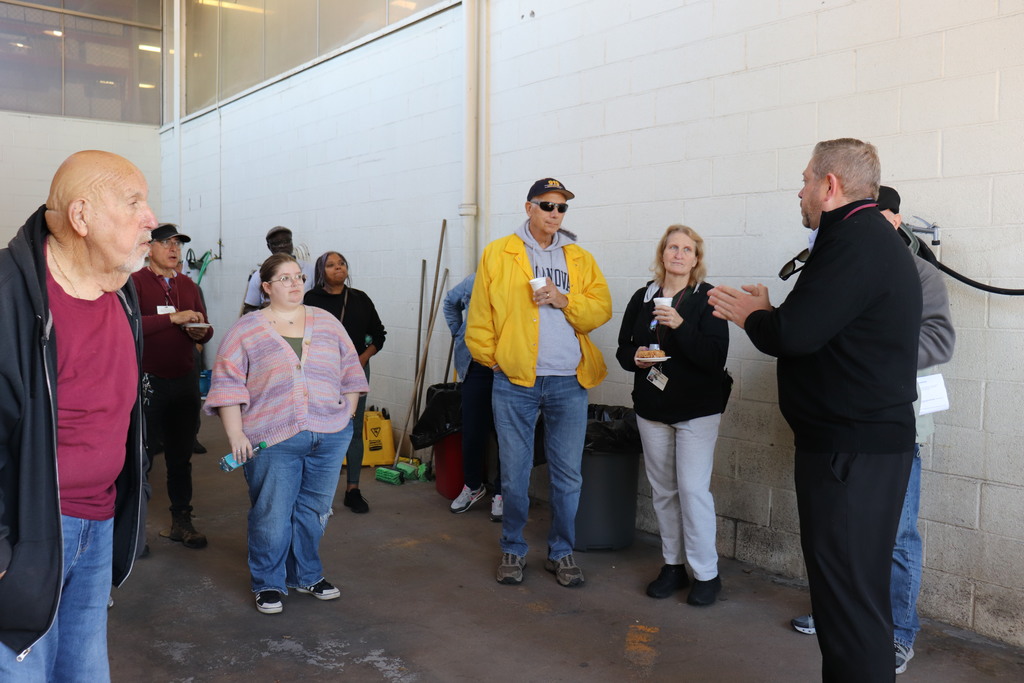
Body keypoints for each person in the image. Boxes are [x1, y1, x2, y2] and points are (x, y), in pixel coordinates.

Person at [708, 138, 922, 682]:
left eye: (806, 179)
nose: (799, 190)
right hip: (860, 448)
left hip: (848, 454)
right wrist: (770, 313)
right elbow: (824, 326)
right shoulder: (869, 238)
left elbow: (797, 334)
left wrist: (757, 316)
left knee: (848, 606)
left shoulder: (852, 240)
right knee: (856, 600)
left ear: (830, 186)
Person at [788, 186, 956, 675]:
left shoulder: (918, 271)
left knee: (896, 535)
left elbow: (940, 339)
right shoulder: (837, 260)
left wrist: (866, 355)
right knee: (845, 540)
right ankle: (842, 618)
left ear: (895, 221)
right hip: (841, 419)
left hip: (893, 425)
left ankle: (898, 635)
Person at [0, 150, 152, 678]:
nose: (150, 219)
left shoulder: (123, 293)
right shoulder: (8, 296)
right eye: (134, 202)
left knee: (84, 672)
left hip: (99, 524)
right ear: (82, 217)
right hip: (26, 534)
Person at [466, 177, 612, 588]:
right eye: (547, 205)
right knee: (514, 473)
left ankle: (561, 552)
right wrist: (494, 359)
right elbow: (478, 316)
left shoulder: (578, 258)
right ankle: (513, 547)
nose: (555, 213)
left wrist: (565, 299)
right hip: (515, 382)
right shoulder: (499, 253)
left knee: (568, 475)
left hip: (569, 381)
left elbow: (601, 308)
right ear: (528, 207)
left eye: (562, 207)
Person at [205, 253, 368, 615]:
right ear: (266, 287)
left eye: (298, 277)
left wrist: (349, 413)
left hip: (329, 435)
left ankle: (306, 574)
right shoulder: (247, 329)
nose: (295, 284)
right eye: (284, 279)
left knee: (313, 511)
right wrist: (236, 435)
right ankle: (268, 582)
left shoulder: (326, 322)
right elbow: (228, 385)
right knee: (273, 514)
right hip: (272, 438)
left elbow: (351, 369)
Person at [615, 225, 730, 606]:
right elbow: (623, 350)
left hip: (697, 410)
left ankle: (707, 574)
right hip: (652, 408)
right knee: (663, 491)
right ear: (662, 253)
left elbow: (714, 359)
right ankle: (672, 565)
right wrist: (636, 357)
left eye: (687, 249)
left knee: (693, 491)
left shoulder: (707, 299)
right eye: (672, 247)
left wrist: (679, 328)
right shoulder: (642, 297)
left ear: (696, 258)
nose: (678, 254)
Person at [131, 223, 214, 549]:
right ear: (149, 247)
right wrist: (174, 319)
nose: (174, 248)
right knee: (142, 457)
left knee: (181, 456)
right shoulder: (134, 282)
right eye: (166, 242)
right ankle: (135, 531)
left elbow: (205, 329)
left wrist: (198, 331)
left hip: (184, 380)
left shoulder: (188, 285)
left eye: (178, 243)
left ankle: (182, 521)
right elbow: (131, 323)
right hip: (149, 380)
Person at [303, 251, 386, 514]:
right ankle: (313, 488)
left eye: (341, 264)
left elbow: (379, 336)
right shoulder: (311, 300)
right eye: (330, 265)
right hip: (320, 372)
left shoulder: (360, 299)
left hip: (356, 371)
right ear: (321, 272)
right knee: (317, 424)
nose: (338, 268)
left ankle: (353, 489)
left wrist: (360, 360)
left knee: (353, 425)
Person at [443, 273, 502, 520]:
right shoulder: (477, 279)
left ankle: (502, 493)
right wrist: (460, 335)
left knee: (508, 434)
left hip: (510, 368)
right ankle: (473, 486)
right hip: (476, 366)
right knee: (472, 430)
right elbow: (450, 302)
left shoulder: (526, 279)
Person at [240, 226, 314, 313]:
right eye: (276, 243)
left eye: (286, 241)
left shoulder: (310, 269)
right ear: (269, 246)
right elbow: (247, 310)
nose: (282, 246)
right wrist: (263, 309)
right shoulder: (260, 275)